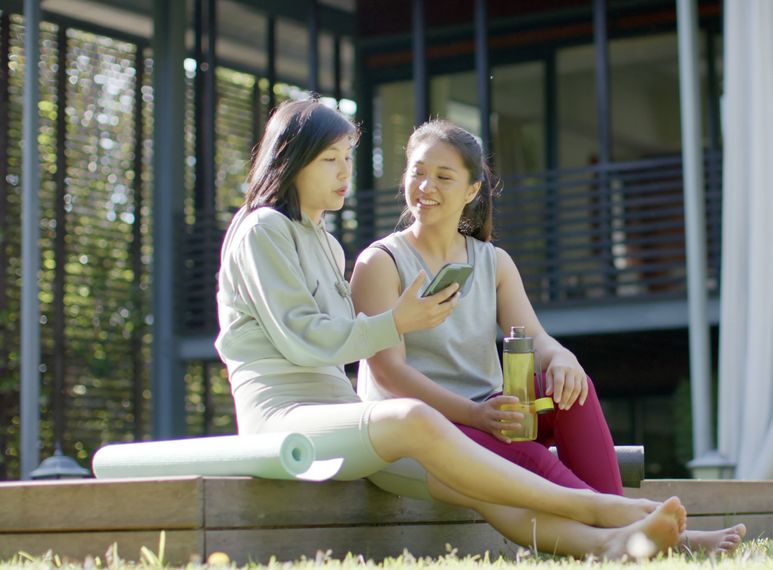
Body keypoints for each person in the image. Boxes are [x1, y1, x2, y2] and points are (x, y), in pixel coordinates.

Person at [216, 97, 695, 560]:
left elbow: (343, 339)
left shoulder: (324, 242)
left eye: (347, 158)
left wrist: (560, 358)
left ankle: (609, 545)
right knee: (417, 420)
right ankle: (606, 509)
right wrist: (396, 323)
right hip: (286, 417)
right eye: (330, 159)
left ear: (472, 190)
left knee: (479, 482)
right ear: (293, 160)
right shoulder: (264, 228)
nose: (345, 172)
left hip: (346, 421)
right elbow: (303, 338)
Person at [349, 118, 745, 554]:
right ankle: (659, 534)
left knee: (572, 389)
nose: (426, 186)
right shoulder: (381, 262)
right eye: (418, 172)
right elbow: (387, 374)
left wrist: (562, 359)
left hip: (489, 414)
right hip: (423, 428)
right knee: (533, 457)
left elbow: (536, 337)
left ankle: (639, 533)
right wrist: (475, 414)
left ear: (472, 191)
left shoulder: (493, 262)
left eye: (443, 177)